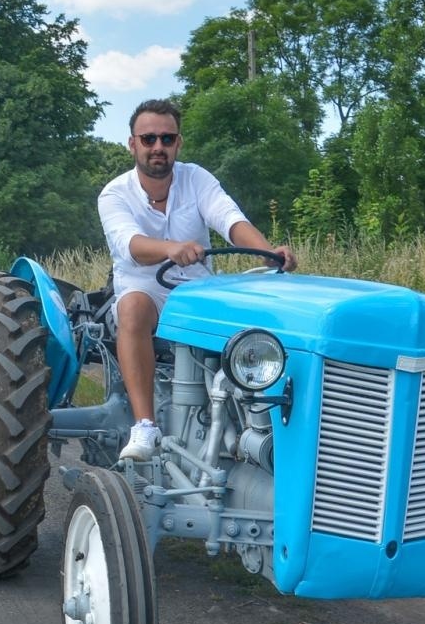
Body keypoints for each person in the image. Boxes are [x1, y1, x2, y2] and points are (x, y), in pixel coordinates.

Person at [98, 98, 296, 461]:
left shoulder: (197, 178)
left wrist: (269, 255)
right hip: (146, 287)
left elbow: (230, 220)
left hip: (198, 288)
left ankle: (261, 428)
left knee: (264, 317)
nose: (158, 147)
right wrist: (170, 248)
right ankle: (145, 426)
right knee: (133, 310)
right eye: (148, 139)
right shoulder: (114, 193)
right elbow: (131, 245)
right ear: (132, 144)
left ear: (178, 143)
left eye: (167, 139)